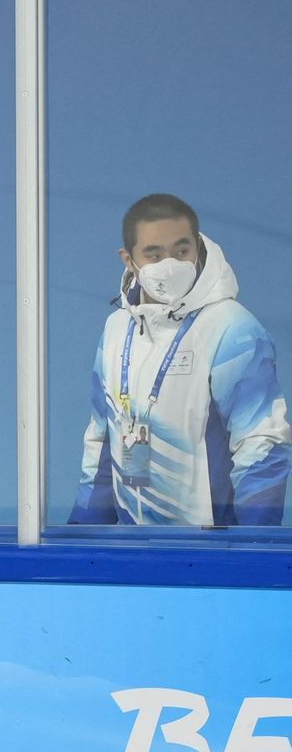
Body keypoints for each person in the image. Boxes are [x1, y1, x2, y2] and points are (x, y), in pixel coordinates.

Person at [71, 193, 289, 526]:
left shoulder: (232, 328)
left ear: (198, 249)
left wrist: (251, 551)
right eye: (154, 254)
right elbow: (101, 440)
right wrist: (81, 545)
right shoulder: (116, 329)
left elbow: (261, 446)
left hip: (209, 554)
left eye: (181, 251)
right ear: (128, 260)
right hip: (132, 550)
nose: (169, 264)